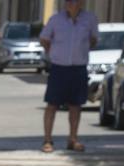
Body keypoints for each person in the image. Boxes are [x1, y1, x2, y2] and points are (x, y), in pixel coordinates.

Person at [39, 0, 98, 153]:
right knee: (52, 105)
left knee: (75, 106)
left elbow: (93, 40)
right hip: (59, 68)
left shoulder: (90, 19)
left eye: (74, 1)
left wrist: (80, 51)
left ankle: (73, 139)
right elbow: (44, 39)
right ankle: (47, 140)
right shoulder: (56, 20)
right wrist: (54, 53)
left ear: (81, 3)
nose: (70, 3)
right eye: (68, 1)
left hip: (78, 68)